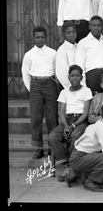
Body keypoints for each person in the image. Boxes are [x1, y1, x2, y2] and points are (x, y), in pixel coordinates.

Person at [48, 65, 93, 181]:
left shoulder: (86, 91)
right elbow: (61, 112)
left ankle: (71, 166)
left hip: (81, 120)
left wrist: (73, 125)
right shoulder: (64, 92)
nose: (75, 78)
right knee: (52, 137)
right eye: (72, 75)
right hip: (66, 120)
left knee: (75, 136)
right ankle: (67, 163)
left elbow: (86, 112)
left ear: (81, 77)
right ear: (68, 77)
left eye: (77, 75)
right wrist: (65, 125)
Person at [21, 26, 58, 159]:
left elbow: (56, 70)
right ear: (33, 38)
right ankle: (38, 148)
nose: (40, 39)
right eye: (37, 37)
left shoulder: (53, 53)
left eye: (42, 37)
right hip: (35, 85)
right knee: (36, 118)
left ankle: (52, 147)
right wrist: (32, 89)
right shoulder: (29, 55)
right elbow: (25, 74)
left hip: (50, 84)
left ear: (45, 37)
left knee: (52, 118)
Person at [69, 102, 103, 192]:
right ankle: (90, 181)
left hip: (87, 156)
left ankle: (81, 173)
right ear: (102, 116)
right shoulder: (102, 127)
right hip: (79, 157)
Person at [75, 16, 103, 95]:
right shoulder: (83, 42)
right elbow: (79, 63)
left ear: (102, 27)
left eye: (99, 25)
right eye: (94, 25)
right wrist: (82, 81)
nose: (96, 28)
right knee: (93, 100)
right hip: (91, 75)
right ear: (89, 27)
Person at [56, 21, 80, 90]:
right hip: (69, 87)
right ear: (63, 34)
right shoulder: (62, 50)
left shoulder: (79, 47)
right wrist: (71, 87)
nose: (72, 35)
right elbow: (61, 74)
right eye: (68, 33)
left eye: (74, 32)